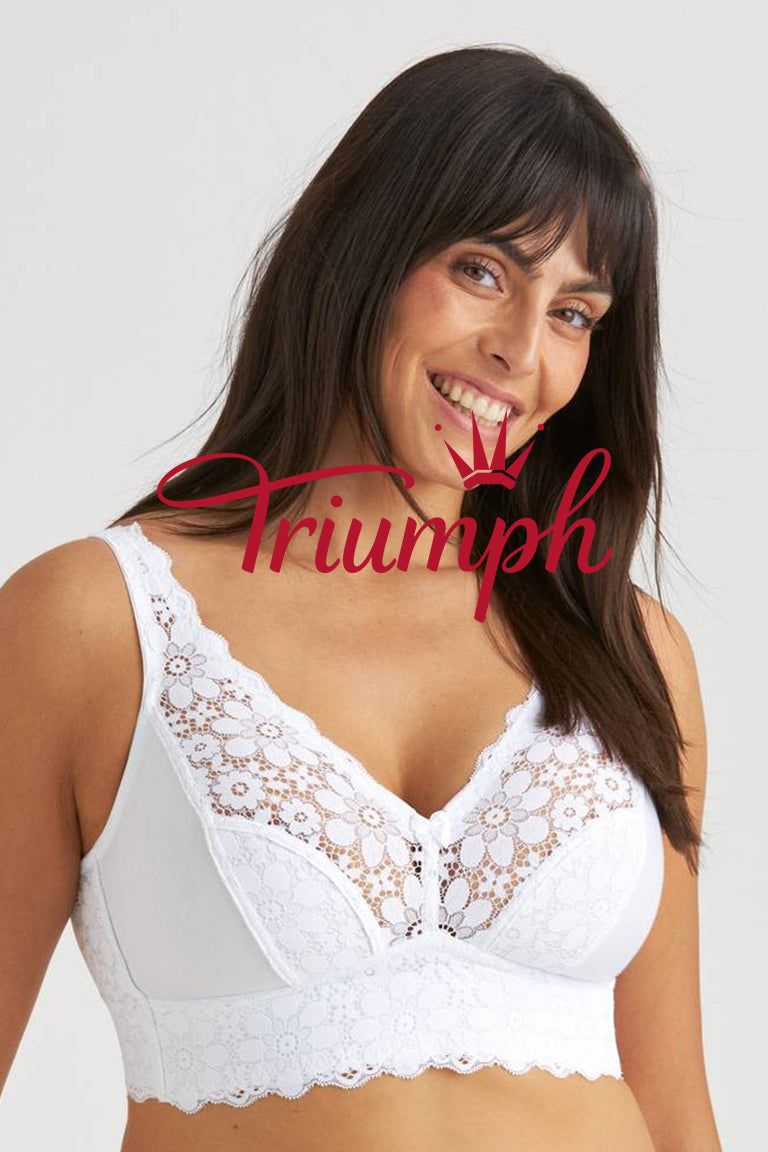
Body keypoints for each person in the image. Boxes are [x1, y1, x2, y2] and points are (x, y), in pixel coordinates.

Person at [0, 44, 723, 1152]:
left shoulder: (628, 648)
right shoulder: (96, 624)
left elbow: (675, 1113)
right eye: (483, 271)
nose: (520, 351)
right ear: (362, 249)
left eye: (575, 313)